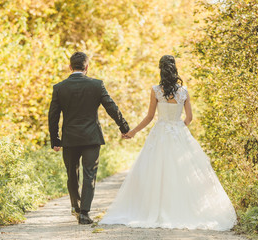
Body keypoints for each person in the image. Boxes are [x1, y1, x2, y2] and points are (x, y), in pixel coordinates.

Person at [100, 55, 237, 230]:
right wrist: (179, 128)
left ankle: (155, 208)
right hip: (178, 133)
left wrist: (132, 132)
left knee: (156, 171)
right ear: (174, 69)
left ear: (160, 69)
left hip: (160, 133)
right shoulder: (184, 91)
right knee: (184, 172)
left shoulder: (156, 90)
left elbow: (150, 117)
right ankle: (183, 209)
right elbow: (189, 118)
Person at [48, 52, 129, 224]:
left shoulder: (59, 88)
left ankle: (75, 206)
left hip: (69, 138)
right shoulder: (96, 85)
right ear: (87, 67)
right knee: (89, 174)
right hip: (91, 137)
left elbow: (53, 116)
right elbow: (111, 107)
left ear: (70, 67)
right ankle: (84, 213)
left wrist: (55, 140)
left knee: (72, 173)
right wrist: (124, 127)